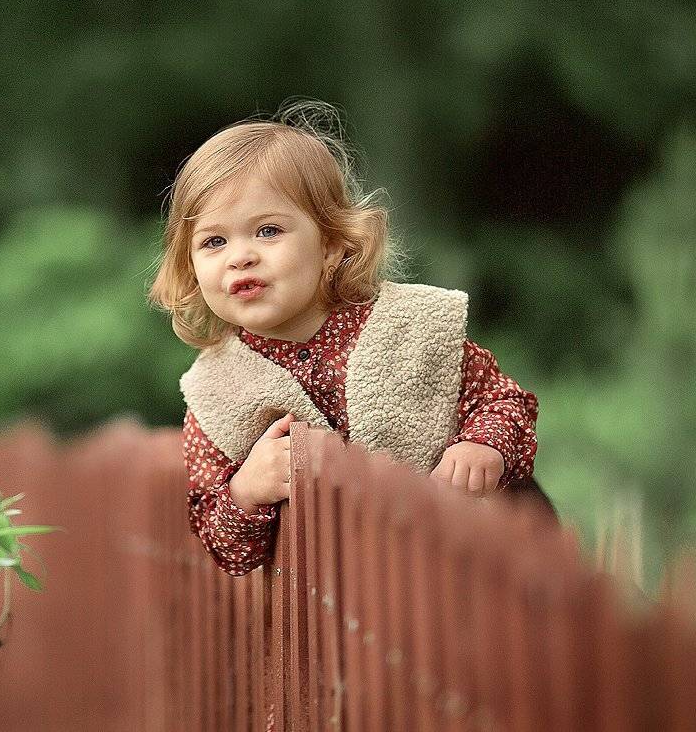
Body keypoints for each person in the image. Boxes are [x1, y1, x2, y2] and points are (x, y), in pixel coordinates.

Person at [147, 99, 550, 576]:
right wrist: (246, 491)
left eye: (268, 231)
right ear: (190, 266)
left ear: (332, 244)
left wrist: (483, 446)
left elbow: (504, 401)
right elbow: (220, 542)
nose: (240, 256)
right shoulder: (215, 394)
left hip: (474, 565)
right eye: (214, 241)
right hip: (354, 600)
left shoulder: (410, 324)